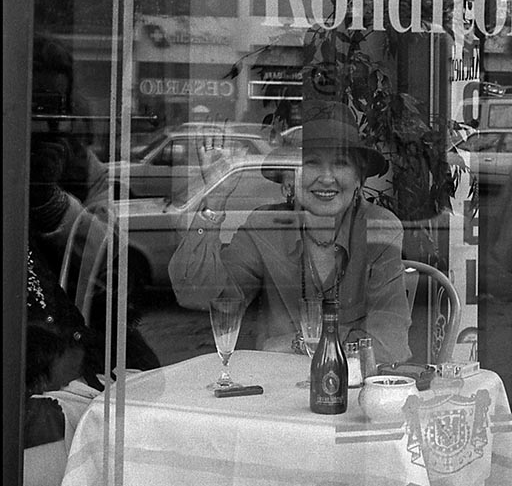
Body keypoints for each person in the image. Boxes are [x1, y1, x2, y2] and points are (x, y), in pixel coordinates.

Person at [169, 100, 412, 366]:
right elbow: (198, 295)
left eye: (341, 163)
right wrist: (214, 200)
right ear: (289, 177)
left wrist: (298, 343)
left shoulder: (378, 228)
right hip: (275, 384)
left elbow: (389, 345)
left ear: (358, 179)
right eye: (311, 163)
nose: (327, 177)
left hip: (351, 386)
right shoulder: (266, 226)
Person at [26, 35, 160, 423]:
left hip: (74, 336)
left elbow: (109, 258)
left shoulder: (79, 163)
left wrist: (51, 201)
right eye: (35, 105)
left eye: (55, 107)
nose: (45, 121)